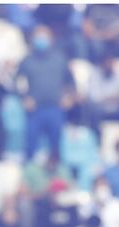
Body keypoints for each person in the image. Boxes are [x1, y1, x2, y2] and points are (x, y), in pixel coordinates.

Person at [16, 24, 74, 158]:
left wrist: (68, 96)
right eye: (38, 36)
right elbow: (18, 81)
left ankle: (56, 169)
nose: (41, 39)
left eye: (44, 36)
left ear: (51, 38)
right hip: (35, 110)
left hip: (55, 108)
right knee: (31, 144)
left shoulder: (60, 59)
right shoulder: (27, 61)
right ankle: (29, 167)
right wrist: (24, 98)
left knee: (56, 145)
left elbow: (70, 80)